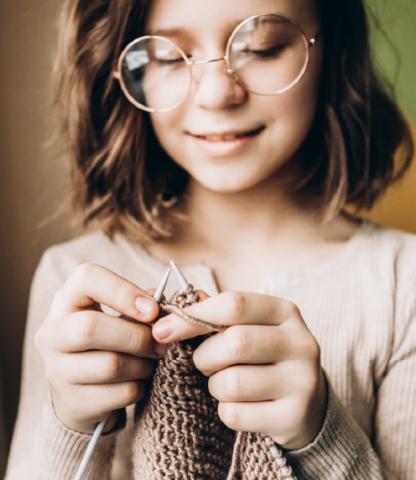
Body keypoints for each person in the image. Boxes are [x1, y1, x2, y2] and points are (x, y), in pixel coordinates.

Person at [5, 0, 416, 478]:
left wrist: (321, 439)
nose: (218, 93)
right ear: (122, 69)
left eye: (261, 48)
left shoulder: (402, 284)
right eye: (165, 56)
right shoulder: (73, 283)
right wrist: (69, 425)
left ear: (332, 47)